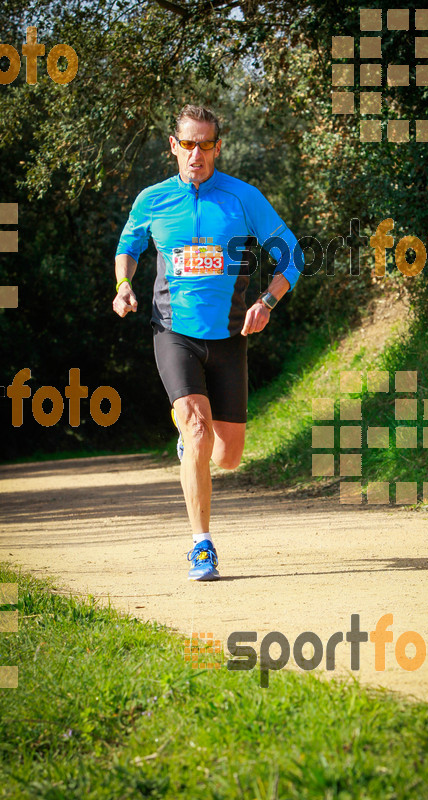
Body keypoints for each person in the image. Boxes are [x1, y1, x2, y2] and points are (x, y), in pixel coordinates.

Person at [112, 104, 303, 581]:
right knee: (197, 430)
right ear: (173, 146)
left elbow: (292, 256)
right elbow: (128, 248)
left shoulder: (243, 199)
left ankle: (188, 443)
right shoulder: (152, 200)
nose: (196, 153)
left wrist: (267, 301)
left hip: (230, 335)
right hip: (173, 332)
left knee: (228, 455)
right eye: (188, 144)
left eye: (206, 144)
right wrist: (123, 285)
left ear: (218, 147)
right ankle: (202, 546)